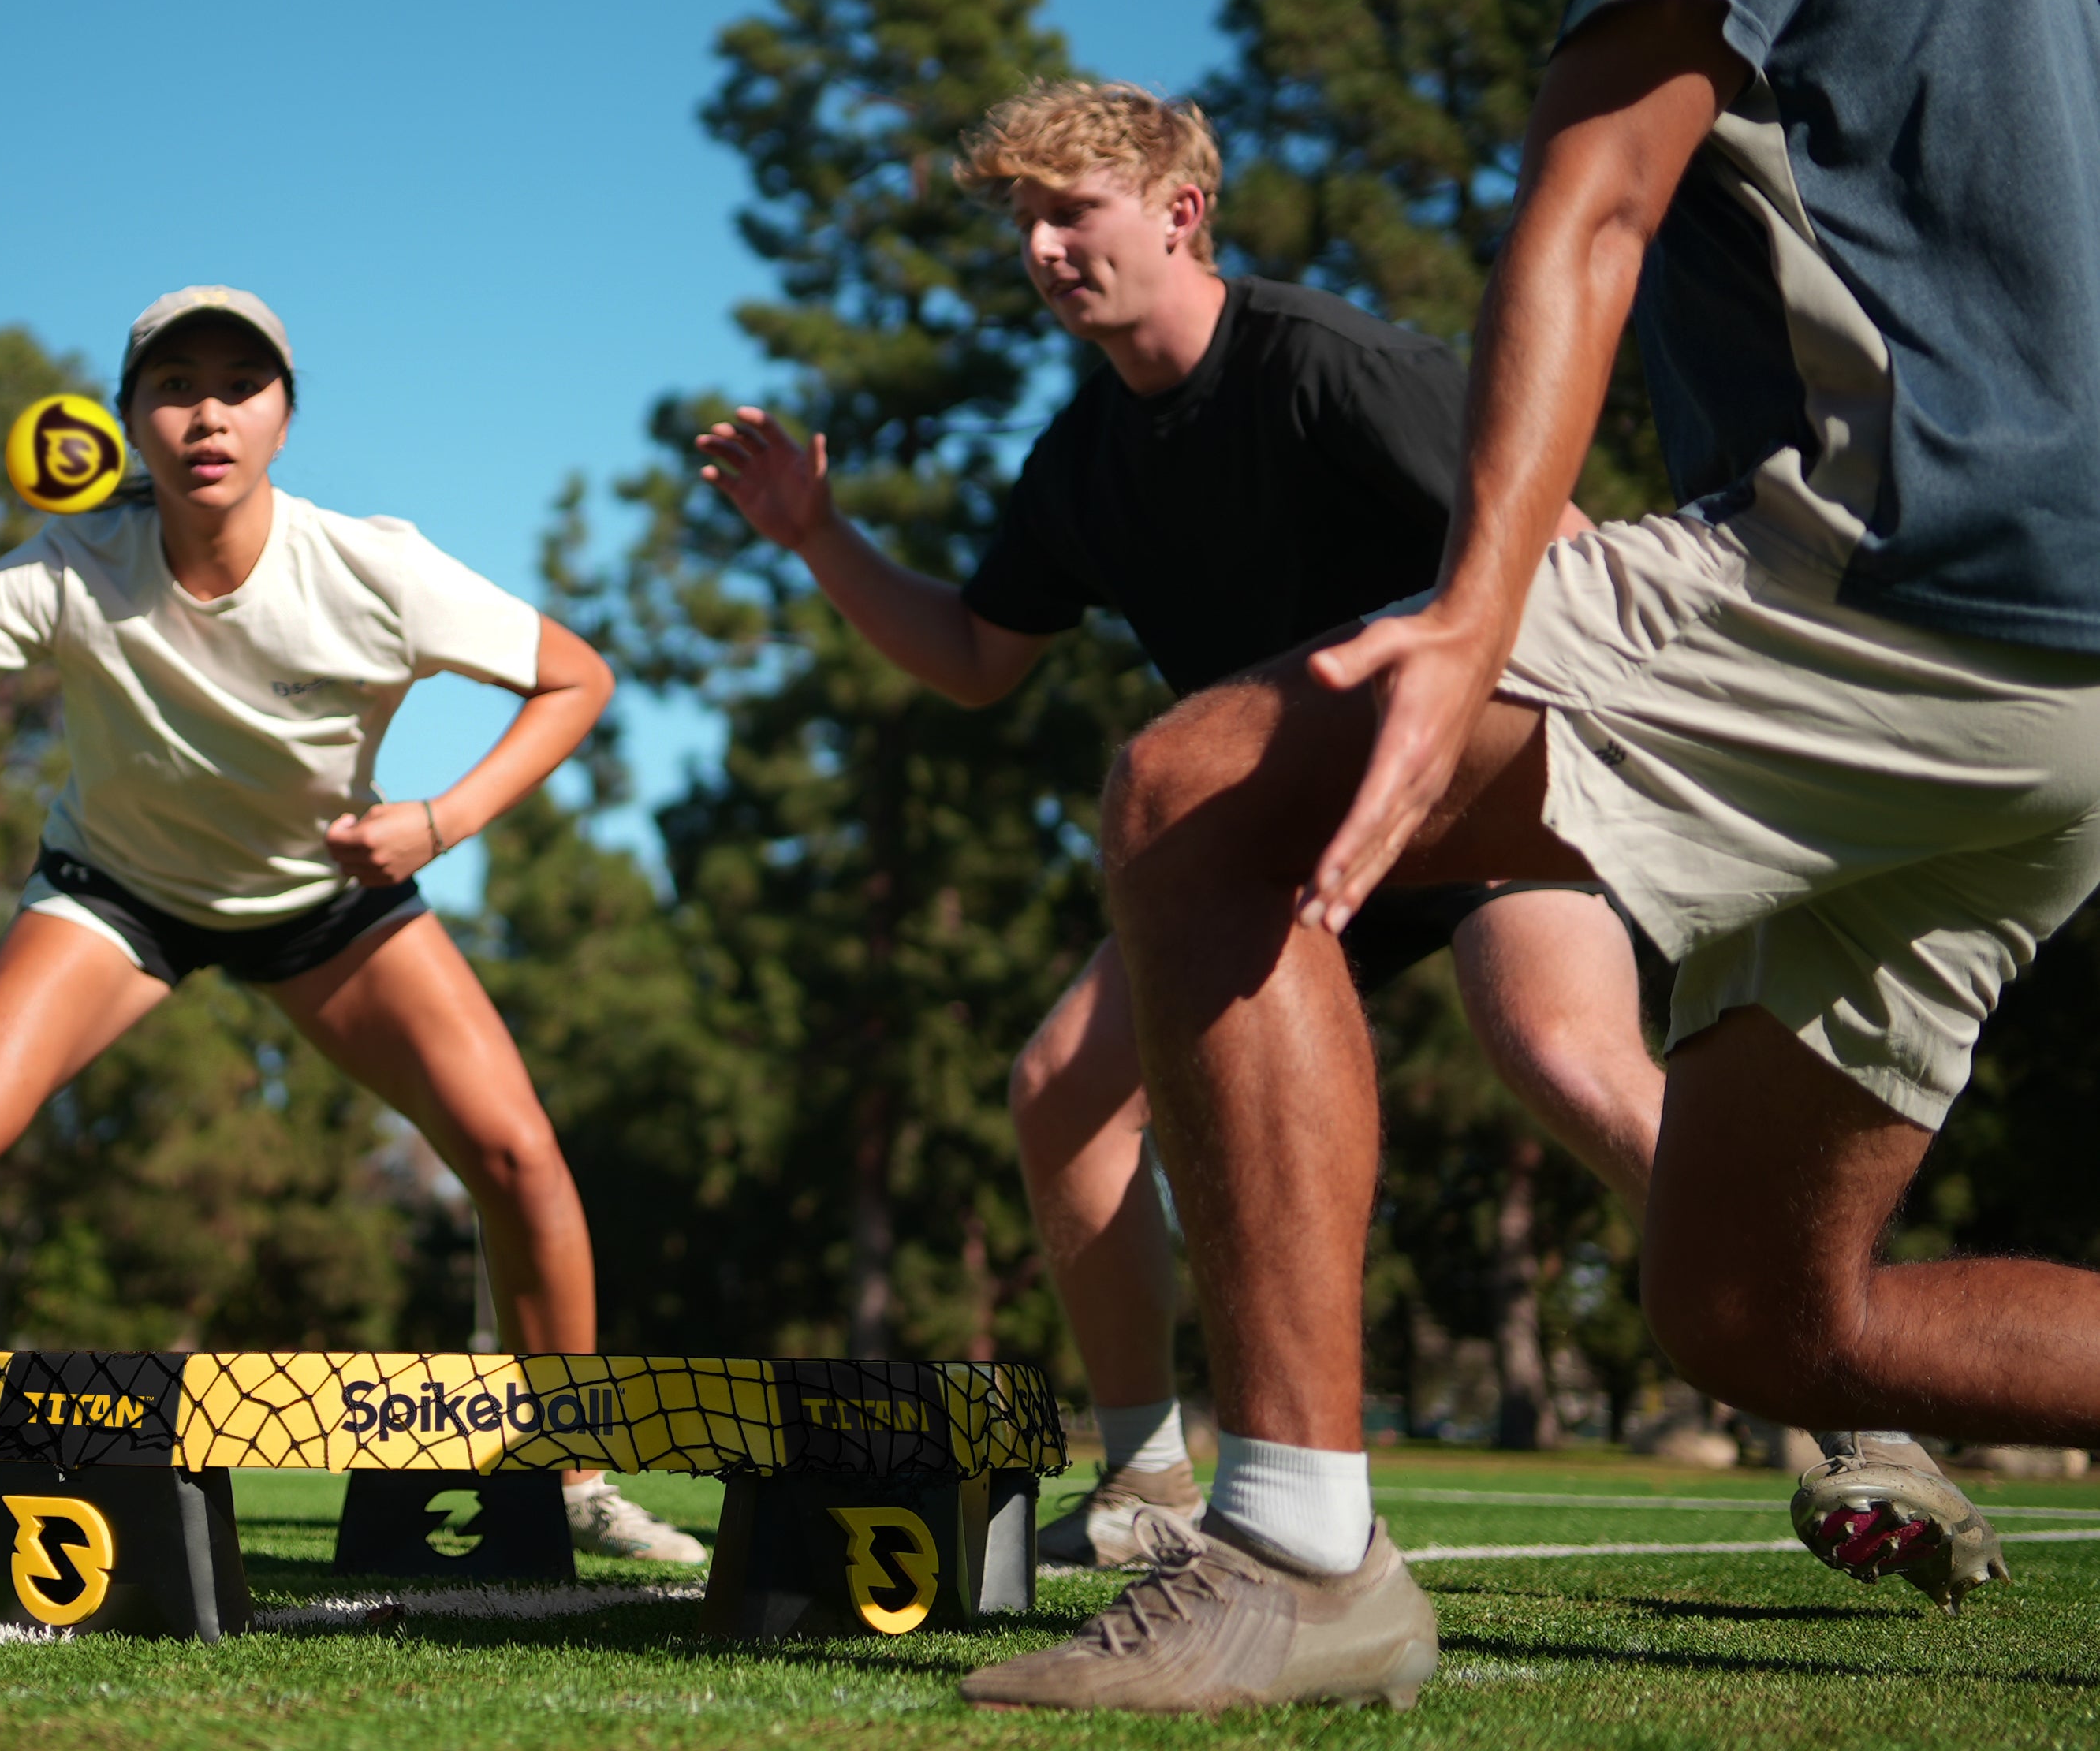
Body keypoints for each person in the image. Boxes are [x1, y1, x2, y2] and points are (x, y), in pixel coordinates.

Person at [961, 0, 2100, 1713]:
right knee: (1757, 1313)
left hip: (1894, 578)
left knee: (1197, 796)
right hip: (2046, 684)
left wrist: (1471, 617)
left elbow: (1593, 198)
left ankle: (1296, 1549)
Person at [0, 285, 703, 1566]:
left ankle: (575, 1481)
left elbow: (576, 675)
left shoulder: (373, 567)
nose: (209, 412)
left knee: (519, 1156)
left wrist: (441, 819)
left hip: (326, 899)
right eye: (174, 385)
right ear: (129, 421)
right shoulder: (68, 567)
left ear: (284, 420)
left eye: (241, 386)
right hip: (119, 894)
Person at [700, 81, 1673, 1567]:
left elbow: (1575, 556)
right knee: (1060, 1090)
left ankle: (1855, 1412)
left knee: (1566, 1057)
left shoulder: (1334, 364)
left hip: (1471, 793)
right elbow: (974, 656)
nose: (1042, 247)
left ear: (1180, 213)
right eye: (1024, 221)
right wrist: (820, 537)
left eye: (1070, 210)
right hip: (1282, 847)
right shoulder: (1080, 461)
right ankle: (1148, 1484)